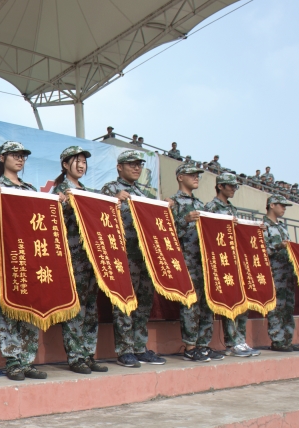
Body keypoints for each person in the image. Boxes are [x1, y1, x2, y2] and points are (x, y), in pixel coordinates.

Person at [0, 141, 48, 381]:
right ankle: (12, 361)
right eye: (14, 155)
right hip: (6, 259)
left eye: (22, 156)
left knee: (31, 307)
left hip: (31, 258)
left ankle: (27, 360)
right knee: (9, 308)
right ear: (2, 158)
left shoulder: (30, 189)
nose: (20, 159)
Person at [101, 150, 166, 368]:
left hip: (144, 256)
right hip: (123, 255)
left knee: (144, 303)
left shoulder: (144, 193)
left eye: (139, 164)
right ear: (119, 167)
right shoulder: (110, 189)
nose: (136, 168)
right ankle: (125, 350)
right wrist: (113, 201)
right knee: (124, 303)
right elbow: (100, 215)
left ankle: (139, 347)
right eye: (131, 164)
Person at [51, 146, 109, 375]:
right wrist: (62, 204)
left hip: (91, 257)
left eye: (84, 162)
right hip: (72, 257)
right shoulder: (59, 191)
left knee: (91, 307)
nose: (82, 165)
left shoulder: (88, 192)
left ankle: (88, 354)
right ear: (65, 165)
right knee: (76, 307)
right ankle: (75, 356)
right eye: (77, 161)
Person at [171, 164, 223, 362]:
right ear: (180, 177)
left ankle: (203, 345)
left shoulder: (202, 204)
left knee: (207, 303)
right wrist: (184, 220)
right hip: (186, 261)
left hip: (205, 262)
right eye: (192, 175)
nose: (196, 178)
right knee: (190, 304)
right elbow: (165, 234)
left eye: (197, 175)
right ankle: (190, 346)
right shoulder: (172, 203)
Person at [204, 173, 260, 358]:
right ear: (220, 186)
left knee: (242, 302)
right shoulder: (211, 208)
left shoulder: (232, 209)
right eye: (230, 186)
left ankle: (240, 339)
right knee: (229, 302)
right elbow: (209, 232)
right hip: (221, 261)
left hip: (235, 261)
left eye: (235, 186)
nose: (233, 189)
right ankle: (232, 342)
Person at [263, 195, 299, 353]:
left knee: (288, 307)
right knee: (276, 308)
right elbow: (262, 250)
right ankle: (277, 340)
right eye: (281, 205)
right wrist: (279, 246)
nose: (284, 208)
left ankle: (287, 339)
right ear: (272, 205)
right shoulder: (263, 226)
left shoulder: (282, 227)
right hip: (275, 273)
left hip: (287, 273)